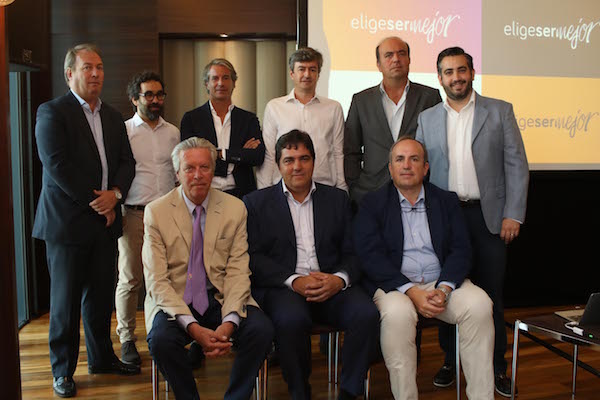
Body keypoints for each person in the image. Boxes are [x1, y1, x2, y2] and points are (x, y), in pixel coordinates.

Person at [416, 46, 529, 397]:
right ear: (440, 78)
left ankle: (496, 367)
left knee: (491, 295)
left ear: (472, 72)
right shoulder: (427, 119)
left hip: (489, 218)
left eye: (462, 70)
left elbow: (517, 166)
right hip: (445, 219)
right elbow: (418, 170)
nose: (456, 78)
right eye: (449, 72)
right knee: (447, 291)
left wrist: (513, 213)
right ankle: (451, 361)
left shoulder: (499, 111)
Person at [33, 43, 138, 398]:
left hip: (105, 225)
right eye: (87, 67)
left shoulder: (112, 115)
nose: (95, 73)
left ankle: (101, 359)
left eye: (100, 67)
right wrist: (100, 202)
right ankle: (62, 371)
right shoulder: (52, 112)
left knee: (100, 298)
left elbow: (127, 162)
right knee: (64, 303)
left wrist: (116, 195)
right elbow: (57, 165)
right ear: (70, 74)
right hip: (67, 225)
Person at [355, 137, 494, 400]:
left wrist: (444, 288)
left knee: (479, 305)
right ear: (390, 168)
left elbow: (461, 249)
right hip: (395, 286)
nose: (407, 165)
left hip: (440, 283)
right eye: (400, 159)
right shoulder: (372, 203)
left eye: (414, 159)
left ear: (426, 167)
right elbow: (370, 256)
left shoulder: (446, 200)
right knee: (397, 315)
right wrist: (411, 291)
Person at [244, 131, 379, 400]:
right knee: (291, 320)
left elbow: (354, 252)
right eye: (289, 160)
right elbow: (254, 257)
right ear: (278, 164)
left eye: (304, 158)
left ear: (314, 162)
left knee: (366, 314)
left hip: (331, 284)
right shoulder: (256, 203)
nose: (297, 166)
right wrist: (294, 280)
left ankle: (349, 391)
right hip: (284, 288)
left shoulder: (337, 200)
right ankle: (300, 391)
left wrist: (339, 279)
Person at [143, 137, 274, 400]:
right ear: (177, 173)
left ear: (213, 171)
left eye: (204, 167)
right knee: (161, 340)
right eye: (189, 168)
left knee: (261, 331)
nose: (198, 175)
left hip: (220, 296)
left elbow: (238, 271)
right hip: (176, 298)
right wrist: (193, 328)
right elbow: (157, 281)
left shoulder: (235, 208)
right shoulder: (156, 212)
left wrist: (229, 323)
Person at [115, 71, 180, 366]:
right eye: (148, 95)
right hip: (134, 214)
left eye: (159, 95)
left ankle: (168, 335)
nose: (155, 100)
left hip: (168, 215)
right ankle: (127, 338)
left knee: (170, 277)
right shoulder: (124, 131)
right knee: (131, 278)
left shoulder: (173, 133)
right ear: (134, 99)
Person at [344, 36, 442, 207]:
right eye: (388, 55)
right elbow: (351, 150)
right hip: (371, 194)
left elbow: (438, 147)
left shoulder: (430, 97)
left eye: (401, 53)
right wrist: (355, 186)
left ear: (409, 59)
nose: (396, 59)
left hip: (418, 194)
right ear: (378, 64)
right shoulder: (361, 100)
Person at [256, 47, 347, 191]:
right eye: (301, 69)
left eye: (312, 69)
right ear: (292, 73)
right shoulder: (275, 107)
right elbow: (269, 153)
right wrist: (264, 189)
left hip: (324, 185)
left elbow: (338, 152)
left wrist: (342, 187)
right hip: (285, 186)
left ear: (318, 74)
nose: (307, 74)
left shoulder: (333, 108)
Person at [180, 58, 264, 198]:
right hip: (204, 193)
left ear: (234, 83)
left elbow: (257, 156)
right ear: (207, 84)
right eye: (215, 78)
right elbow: (191, 158)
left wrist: (219, 154)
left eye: (225, 78)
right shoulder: (191, 119)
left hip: (241, 194)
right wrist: (239, 153)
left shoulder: (248, 119)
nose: (220, 83)